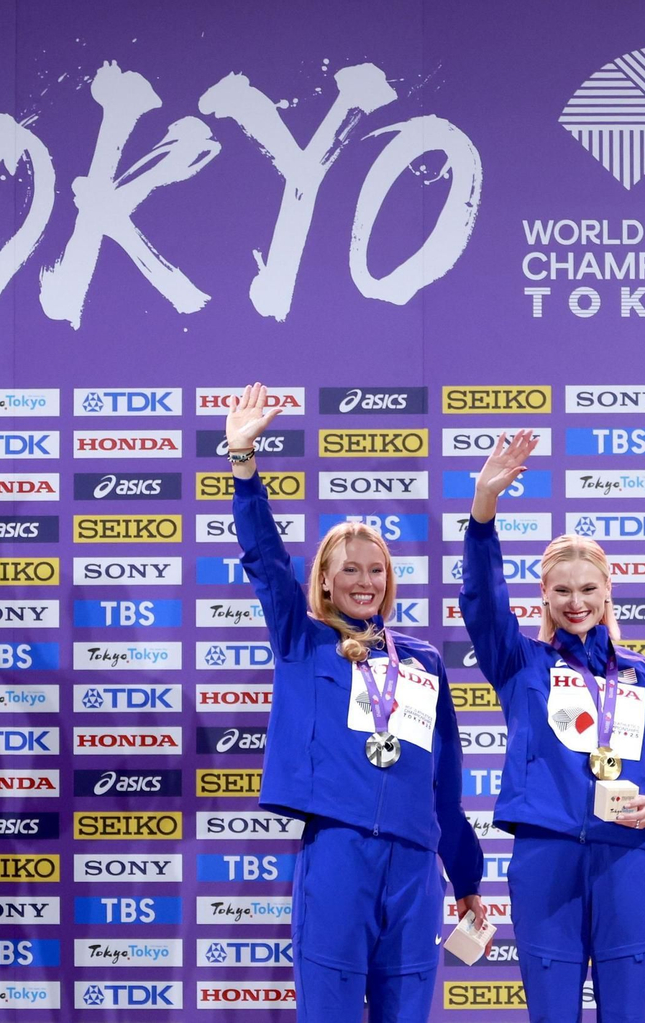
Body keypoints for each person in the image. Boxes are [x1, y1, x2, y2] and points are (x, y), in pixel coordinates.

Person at [224, 383, 484, 1023]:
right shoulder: (301, 639)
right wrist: (243, 463)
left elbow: (442, 780)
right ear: (324, 580)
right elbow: (263, 558)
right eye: (350, 571)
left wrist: (468, 876)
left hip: (416, 865)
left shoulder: (420, 662)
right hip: (339, 852)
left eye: (376, 570)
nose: (365, 582)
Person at [459, 430, 645, 1023]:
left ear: (608, 593)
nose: (576, 602)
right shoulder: (520, 665)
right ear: (543, 595)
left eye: (588, 589)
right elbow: (482, 602)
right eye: (562, 590)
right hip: (547, 861)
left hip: (631, 861)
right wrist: (483, 513)